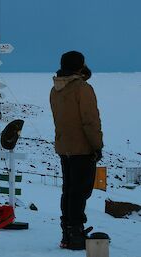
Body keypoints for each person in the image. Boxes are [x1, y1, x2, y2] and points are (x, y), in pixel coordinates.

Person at [50, 51, 103, 250]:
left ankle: (67, 232)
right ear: (80, 66)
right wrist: (97, 146)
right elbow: (90, 121)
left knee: (69, 190)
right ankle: (76, 233)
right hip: (82, 148)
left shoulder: (55, 89)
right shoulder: (83, 88)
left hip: (64, 147)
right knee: (80, 191)